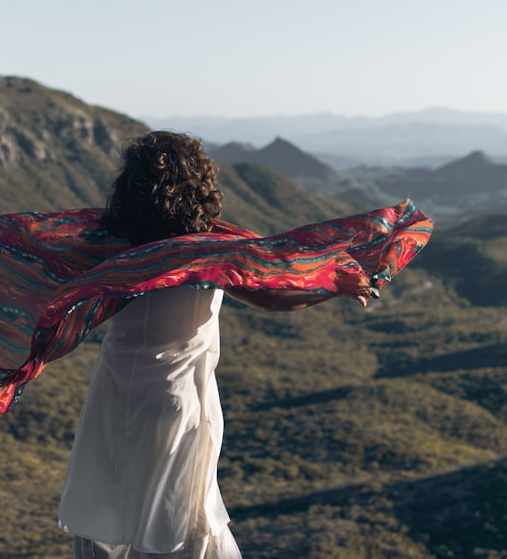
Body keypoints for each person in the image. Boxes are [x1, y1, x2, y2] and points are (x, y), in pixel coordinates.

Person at [57, 132, 372, 559]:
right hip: (175, 401)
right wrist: (331, 286)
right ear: (198, 185)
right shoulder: (209, 252)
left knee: (111, 517)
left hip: (114, 391)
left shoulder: (115, 243)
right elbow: (272, 297)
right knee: (183, 525)